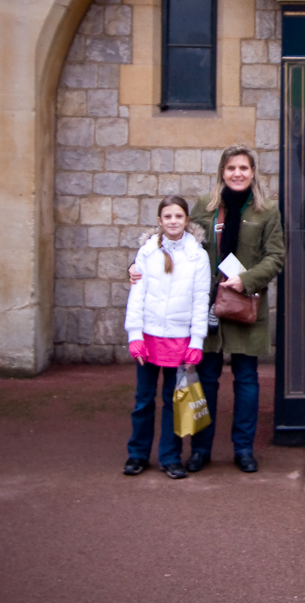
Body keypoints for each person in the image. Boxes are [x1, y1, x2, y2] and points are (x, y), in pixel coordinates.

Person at [129, 146, 285, 474]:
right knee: (206, 380)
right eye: (231, 168)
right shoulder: (205, 206)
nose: (237, 173)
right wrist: (136, 266)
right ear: (222, 172)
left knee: (246, 380)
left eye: (243, 167)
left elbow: (275, 256)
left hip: (246, 304)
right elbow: (174, 240)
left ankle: (243, 449)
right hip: (206, 307)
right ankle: (201, 449)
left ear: (253, 172)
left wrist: (246, 279)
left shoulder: (267, 211)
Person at [123, 195, 211, 479]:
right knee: (143, 398)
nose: (173, 221)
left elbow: (201, 300)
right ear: (159, 221)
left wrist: (197, 341)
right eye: (167, 217)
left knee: (173, 400)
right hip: (148, 335)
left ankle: (170, 456)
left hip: (179, 338)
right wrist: (134, 334)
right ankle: (137, 454)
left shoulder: (198, 255)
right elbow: (138, 294)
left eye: (179, 216)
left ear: (187, 220)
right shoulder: (146, 253)